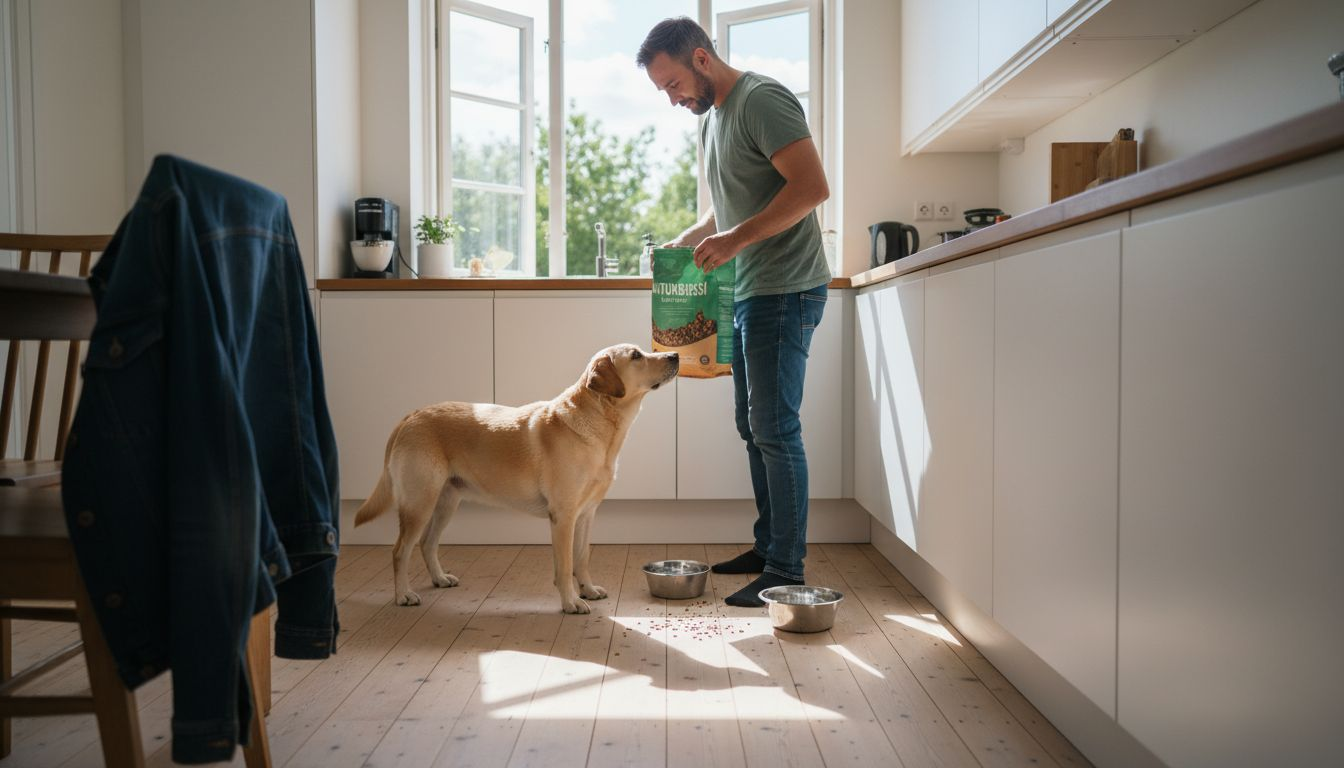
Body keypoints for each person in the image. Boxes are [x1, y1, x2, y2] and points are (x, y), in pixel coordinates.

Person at [637, 17, 831, 607]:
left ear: (700, 59)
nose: (672, 100)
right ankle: (769, 545)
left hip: (786, 289)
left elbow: (811, 188)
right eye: (663, 92)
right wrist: (687, 238)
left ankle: (786, 570)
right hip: (749, 291)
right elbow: (731, 206)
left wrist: (736, 243)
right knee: (754, 428)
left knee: (775, 428)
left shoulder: (762, 99)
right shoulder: (714, 118)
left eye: (672, 85)